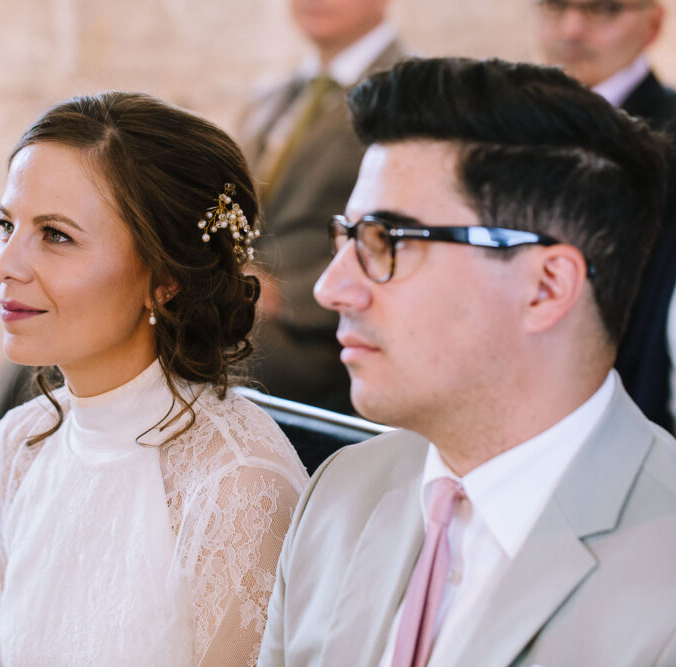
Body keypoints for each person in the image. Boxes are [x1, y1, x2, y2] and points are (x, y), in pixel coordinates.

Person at [0, 0, 405, 543]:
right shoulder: (271, 99)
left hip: (309, 325)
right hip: (234, 279)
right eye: (6, 226)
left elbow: (395, 224)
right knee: (63, 306)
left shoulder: (401, 99)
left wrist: (286, 288)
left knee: (100, 306)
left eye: (53, 231)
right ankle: (8, 481)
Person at [259, 57, 676, 666]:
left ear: (546, 287)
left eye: (387, 241)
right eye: (345, 238)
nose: (330, 289)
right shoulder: (343, 492)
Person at [0, 91, 308, 666]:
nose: (4, 264)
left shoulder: (235, 484)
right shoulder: (16, 446)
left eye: (56, 235)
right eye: (7, 225)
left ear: (165, 279)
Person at [239, 0, 403, 415]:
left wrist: (282, 295)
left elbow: (413, 229)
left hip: (325, 334)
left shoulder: (410, 93)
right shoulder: (271, 98)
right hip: (244, 305)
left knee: (177, 349)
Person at [536, 0, 676, 434]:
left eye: (603, 9)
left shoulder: (669, 141)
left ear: (653, 24)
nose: (572, 30)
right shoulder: (508, 131)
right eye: (556, 6)